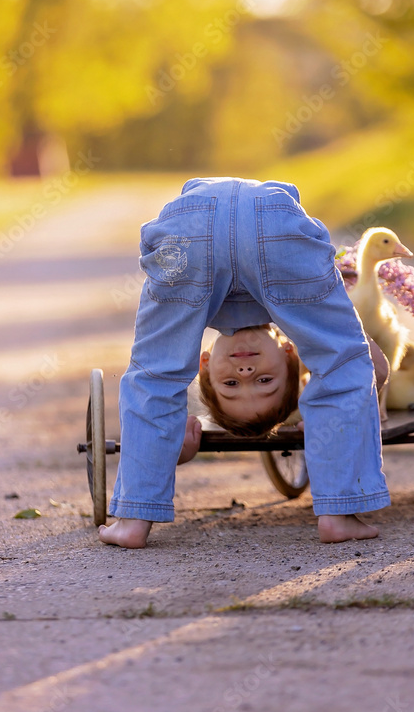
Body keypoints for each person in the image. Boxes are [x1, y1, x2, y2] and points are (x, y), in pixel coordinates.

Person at [99, 177, 390, 549]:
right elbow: (364, 366)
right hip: (272, 222)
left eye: (231, 386)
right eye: (266, 381)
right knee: (343, 365)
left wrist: (174, 446)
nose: (246, 373)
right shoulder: (296, 339)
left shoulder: (254, 344)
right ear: (291, 357)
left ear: (205, 366)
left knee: (156, 374)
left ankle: (133, 519)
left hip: (193, 222)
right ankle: (338, 511)